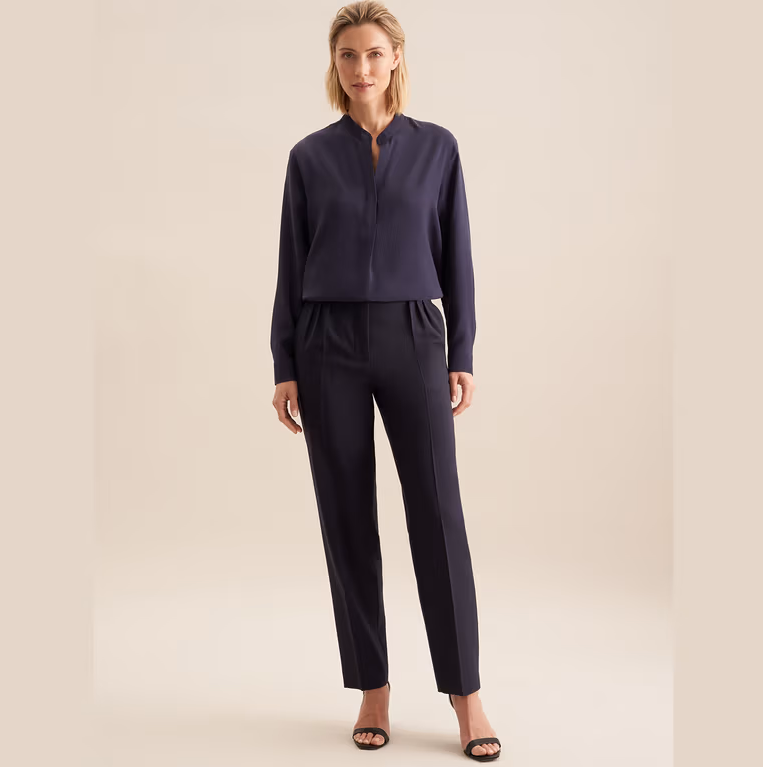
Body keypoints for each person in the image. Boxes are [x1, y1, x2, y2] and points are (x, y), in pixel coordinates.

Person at [269, 2, 501, 761]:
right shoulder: (309, 157)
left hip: (412, 334)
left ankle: (466, 693)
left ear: (396, 57)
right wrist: (285, 364)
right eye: (347, 55)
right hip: (326, 339)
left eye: (373, 53)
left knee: (438, 513)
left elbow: (457, 253)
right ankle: (372, 685)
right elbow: (290, 263)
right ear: (334, 65)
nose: (361, 67)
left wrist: (461, 350)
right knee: (346, 516)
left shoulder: (437, 148)